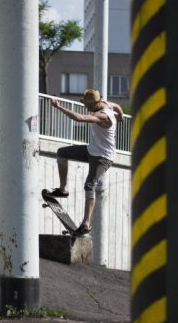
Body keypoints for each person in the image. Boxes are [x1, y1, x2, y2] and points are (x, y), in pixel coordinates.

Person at [48, 89, 123, 237]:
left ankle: (86, 224)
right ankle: (63, 189)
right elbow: (118, 107)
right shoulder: (107, 104)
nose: (86, 108)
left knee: (89, 185)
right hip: (91, 150)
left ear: (96, 103)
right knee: (62, 153)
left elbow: (80, 118)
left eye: (88, 106)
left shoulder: (103, 116)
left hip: (103, 158)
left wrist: (59, 107)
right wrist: (120, 117)